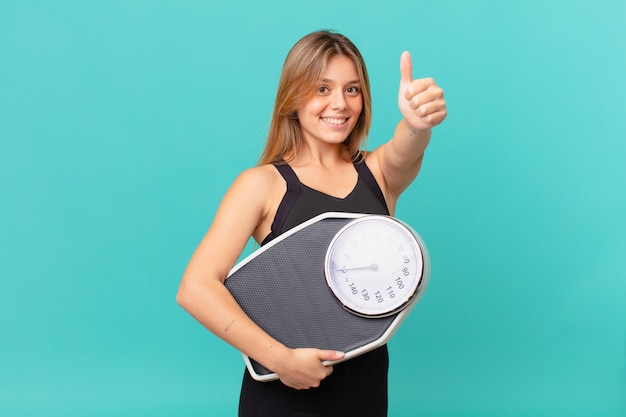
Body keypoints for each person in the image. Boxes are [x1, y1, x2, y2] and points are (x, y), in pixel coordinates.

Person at [177, 30, 447, 417]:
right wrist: (280, 360)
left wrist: (418, 122)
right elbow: (196, 287)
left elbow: (409, 145)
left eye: (352, 89)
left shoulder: (379, 173)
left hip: (365, 389)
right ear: (293, 97)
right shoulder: (262, 185)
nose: (339, 103)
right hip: (283, 394)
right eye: (322, 88)